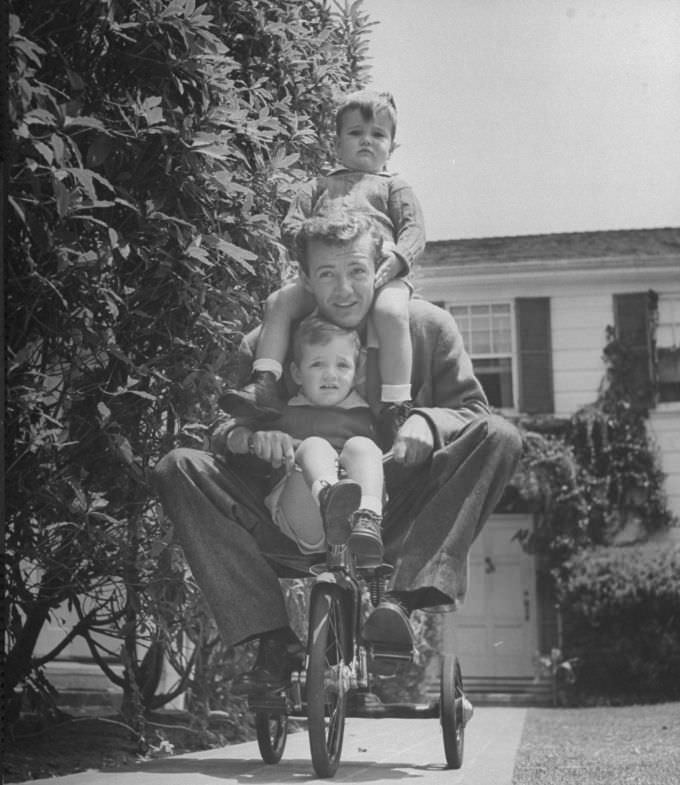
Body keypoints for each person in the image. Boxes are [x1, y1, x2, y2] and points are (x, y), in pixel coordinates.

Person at [153, 211, 522, 694]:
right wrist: (247, 440)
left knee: (501, 437)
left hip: (391, 514)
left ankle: (400, 605)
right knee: (178, 467)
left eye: (357, 272)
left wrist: (427, 422)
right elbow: (221, 428)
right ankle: (272, 639)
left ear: (380, 270)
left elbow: (474, 411)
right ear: (305, 278)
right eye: (327, 274)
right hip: (292, 504)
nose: (344, 290)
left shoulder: (426, 328)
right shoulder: (270, 342)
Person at [220, 89, 425, 444]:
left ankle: (395, 405)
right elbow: (291, 225)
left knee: (392, 314)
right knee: (279, 302)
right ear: (337, 143)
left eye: (378, 134)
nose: (367, 141)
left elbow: (414, 230)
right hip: (328, 273)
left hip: (380, 271)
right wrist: (317, 242)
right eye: (356, 133)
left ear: (390, 146)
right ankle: (265, 382)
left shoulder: (394, 187)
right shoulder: (317, 186)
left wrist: (397, 260)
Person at [227, 314, 386, 567]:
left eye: (342, 365)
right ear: (297, 373)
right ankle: (329, 498)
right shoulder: (283, 412)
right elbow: (231, 437)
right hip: (303, 511)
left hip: (357, 521)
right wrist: (251, 439)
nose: (330, 375)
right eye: (317, 364)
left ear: (357, 373)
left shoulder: (368, 414)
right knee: (314, 446)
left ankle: (368, 519)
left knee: (363, 447)